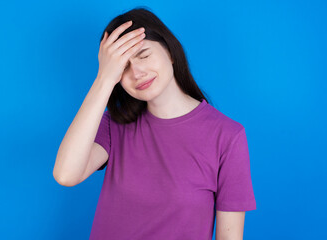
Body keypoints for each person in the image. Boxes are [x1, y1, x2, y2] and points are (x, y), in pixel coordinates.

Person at [53, 7, 256, 240]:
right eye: (123, 67)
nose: (137, 72)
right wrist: (105, 78)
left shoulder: (227, 136)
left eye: (144, 55)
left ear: (169, 51)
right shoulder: (114, 125)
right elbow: (66, 174)